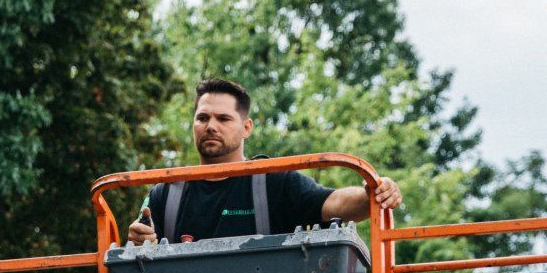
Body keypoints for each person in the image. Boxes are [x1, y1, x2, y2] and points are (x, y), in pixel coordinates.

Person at [126, 78, 402, 244]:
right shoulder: (165, 192)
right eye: (202, 118)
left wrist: (373, 192)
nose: (211, 126)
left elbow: (334, 203)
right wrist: (139, 240)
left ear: (246, 128)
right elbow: (138, 240)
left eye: (223, 119)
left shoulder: (273, 181)